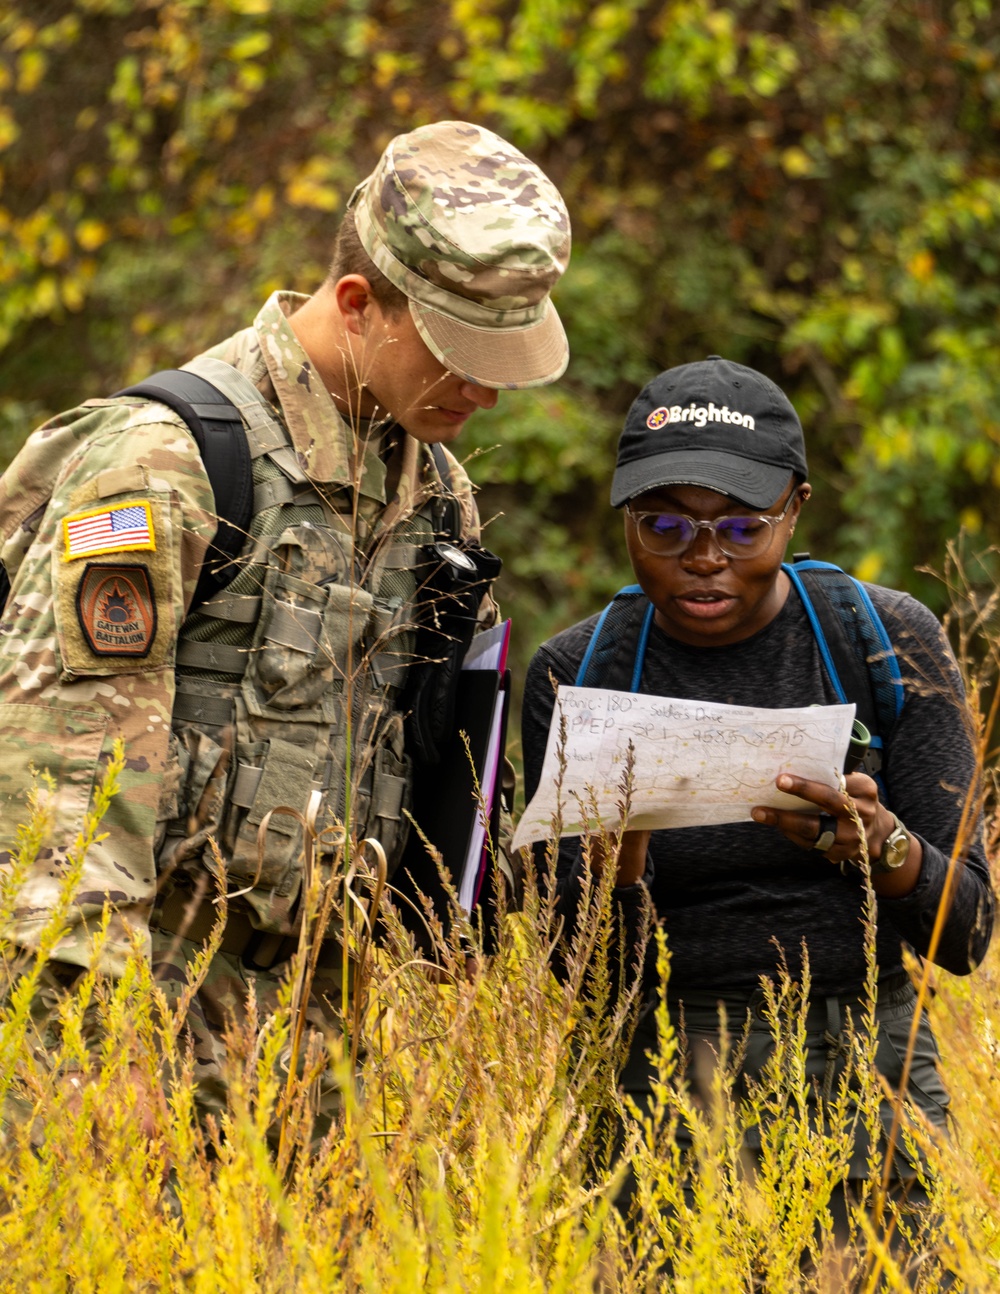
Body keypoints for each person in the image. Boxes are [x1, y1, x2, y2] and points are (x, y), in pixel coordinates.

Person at [0, 120, 571, 1128]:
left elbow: (425, 766)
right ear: (358, 305)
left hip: (316, 1046)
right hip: (136, 1027)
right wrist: (89, 1059)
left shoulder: (434, 495)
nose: (488, 389)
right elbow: (61, 793)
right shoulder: (166, 463)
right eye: (459, 353)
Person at [521, 356, 994, 1252]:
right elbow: (578, 982)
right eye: (664, 526)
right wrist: (618, 866)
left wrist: (882, 845)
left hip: (867, 1062)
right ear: (625, 522)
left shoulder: (885, 641)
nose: (705, 560)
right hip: (663, 1071)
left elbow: (967, 935)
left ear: (796, 509)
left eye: (742, 528)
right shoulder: (580, 675)